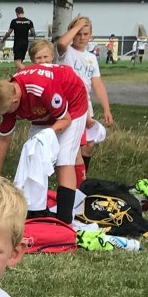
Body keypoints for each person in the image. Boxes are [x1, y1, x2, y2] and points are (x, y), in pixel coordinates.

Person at [0, 57, 90, 228]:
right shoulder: (7, 96)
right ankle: (34, 210)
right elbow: (4, 138)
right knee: (33, 156)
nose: (7, 115)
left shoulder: (42, 88)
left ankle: (65, 220)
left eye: (6, 111)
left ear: (15, 102)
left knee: (63, 159)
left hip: (72, 104)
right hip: (44, 108)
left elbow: (65, 119)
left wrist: (49, 133)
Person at [55, 16, 114, 178]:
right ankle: (73, 181)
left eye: (85, 34)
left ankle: (81, 178)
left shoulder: (91, 58)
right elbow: (61, 44)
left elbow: (97, 84)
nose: (81, 38)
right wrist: (76, 26)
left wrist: (106, 109)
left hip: (86, 105)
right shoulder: (66, 53)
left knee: (88, 145)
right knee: (73, 147)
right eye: (78, 34)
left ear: (91, 35)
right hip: (70, 106)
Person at [8, 7, 34, 71]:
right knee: (20, 61)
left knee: (17, 61)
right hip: (25, 43)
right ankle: (18, 75)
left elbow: (9, 32)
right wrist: (27, 34)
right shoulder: (29, 21)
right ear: (23, 12)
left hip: (17, 43)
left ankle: (27, 71)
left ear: (16, 13)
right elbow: (33, 33)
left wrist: (3, 39)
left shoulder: (14, 21)